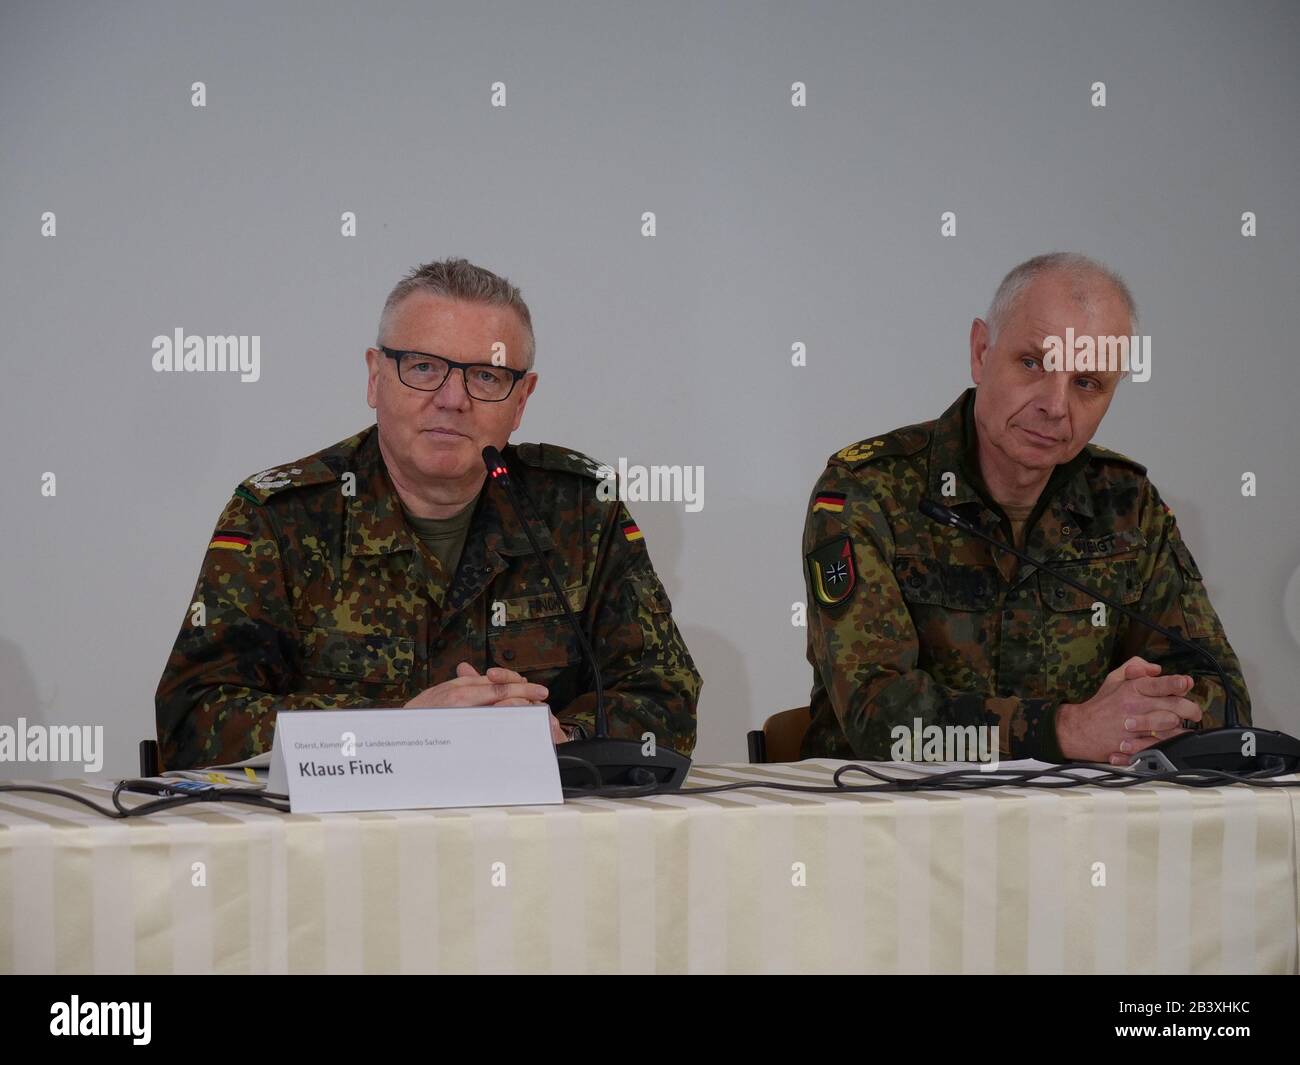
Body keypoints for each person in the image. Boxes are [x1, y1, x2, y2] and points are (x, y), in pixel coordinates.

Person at [156, 258, 701, 770]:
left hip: (536, 843)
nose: (452, 399)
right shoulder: (279, 517)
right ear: (375, 377)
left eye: (486, 377)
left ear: (522, 398)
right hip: (334, 849)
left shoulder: (581, 511)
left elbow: (664, 693)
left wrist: (565, 736)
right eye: (423, 368)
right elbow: (193, 717)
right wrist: (396, 731)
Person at [801, 252, 1249, 765]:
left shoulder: (1126, 504)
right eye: (1034, 363)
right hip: (889, 823)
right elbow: (880, 717)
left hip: (1077, 827)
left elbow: (1224, 697)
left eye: (1087, 383)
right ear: (980, 350)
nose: (1055, 405)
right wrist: (1064, 730)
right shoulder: (866, 491)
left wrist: (1141, 715)